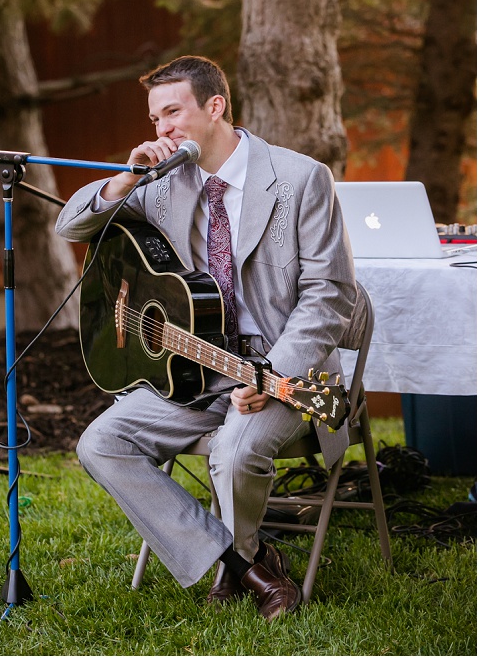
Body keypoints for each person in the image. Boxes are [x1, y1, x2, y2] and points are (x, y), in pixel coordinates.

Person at [55, 56, 356, 620]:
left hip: (285, 374)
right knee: (101, 444)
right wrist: (126, 177)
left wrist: (273, 374)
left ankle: (234, 566)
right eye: (154, 118)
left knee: (235, 450)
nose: (162, 129)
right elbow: (70, 227)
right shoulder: (162, 182)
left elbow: (330, 295)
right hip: (188, 369)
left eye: (173, 112)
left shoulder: (299, 177)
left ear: (215, 106)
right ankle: (251, 561)